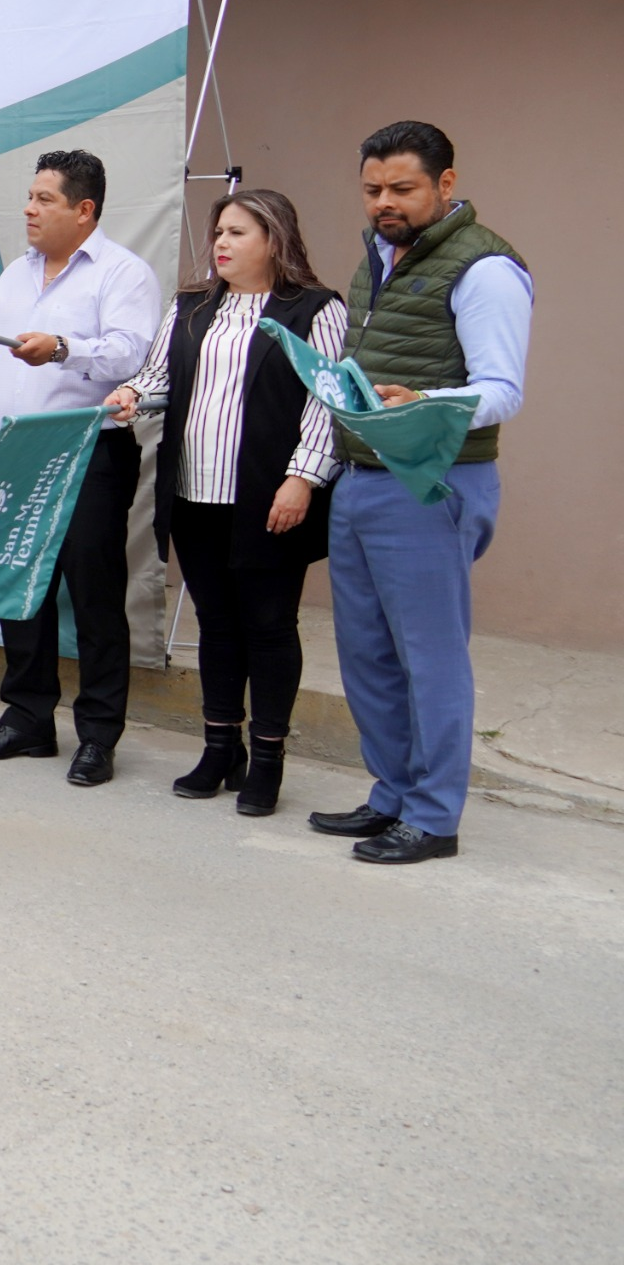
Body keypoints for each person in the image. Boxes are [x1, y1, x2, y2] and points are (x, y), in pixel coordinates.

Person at [305, 123, 529, 865]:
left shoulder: (486, 269)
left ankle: (434, 817)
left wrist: (421, 400)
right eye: (373, 190)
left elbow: (502, 390)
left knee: (428, 657)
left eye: (402, 188)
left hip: (432, 481)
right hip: (363, 477)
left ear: (446, 183)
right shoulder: (378, 255)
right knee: (367, 652)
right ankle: (392, 795)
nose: (384, 203)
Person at [105, 188, 343, 817]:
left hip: (270, 494)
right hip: (195, 493)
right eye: (218, 233)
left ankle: (267, 760)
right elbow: (157, 376)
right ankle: (219, 748)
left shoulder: (312, 309)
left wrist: (304, 478)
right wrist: (129, 392)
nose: (221, 244)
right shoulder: (190, 307)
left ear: (275, 238)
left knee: (268, 627)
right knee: (215, 624)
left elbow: (327, 402)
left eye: (237, 233)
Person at [0, 150, 162, 786]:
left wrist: (65, 349)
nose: (29, 208)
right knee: (21, 588)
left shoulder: (124, 275)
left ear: (84, 209)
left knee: (94, 596)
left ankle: (98, 734)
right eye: (30, 196)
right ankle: (27, 719)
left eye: (44, 199)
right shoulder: (12, 278)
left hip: (87, 451)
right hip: (15, 452)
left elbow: (131, 358)